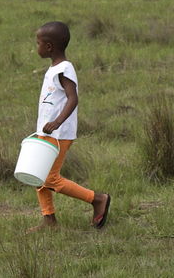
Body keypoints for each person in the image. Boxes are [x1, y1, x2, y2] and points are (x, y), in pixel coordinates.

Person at [27, 21, 111, 231]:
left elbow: (72, 99)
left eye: (37, 43)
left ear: (48, 47)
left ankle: (97, 199)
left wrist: (56, 123)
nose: (35, 47)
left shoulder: (65, 69)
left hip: (60, 133)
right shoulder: (53, 68)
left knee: (50, 178)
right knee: (39, 174)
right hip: (46, 132)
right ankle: (49, 220)